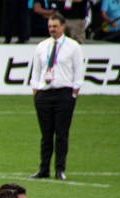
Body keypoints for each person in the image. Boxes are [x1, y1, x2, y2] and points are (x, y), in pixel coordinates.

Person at [29, 13, 84, 181]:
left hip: (64, 93)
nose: (52, 29)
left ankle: (60, 169)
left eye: (55, 26)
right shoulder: (41, 46)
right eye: (50, 26)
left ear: (63, 26)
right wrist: (36, 90)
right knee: (46, 135)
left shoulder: (73, 47)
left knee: (61, 133)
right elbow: (36, 70)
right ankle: (43, 168)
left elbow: (79, 70)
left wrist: (74, 92)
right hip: (44, 93)